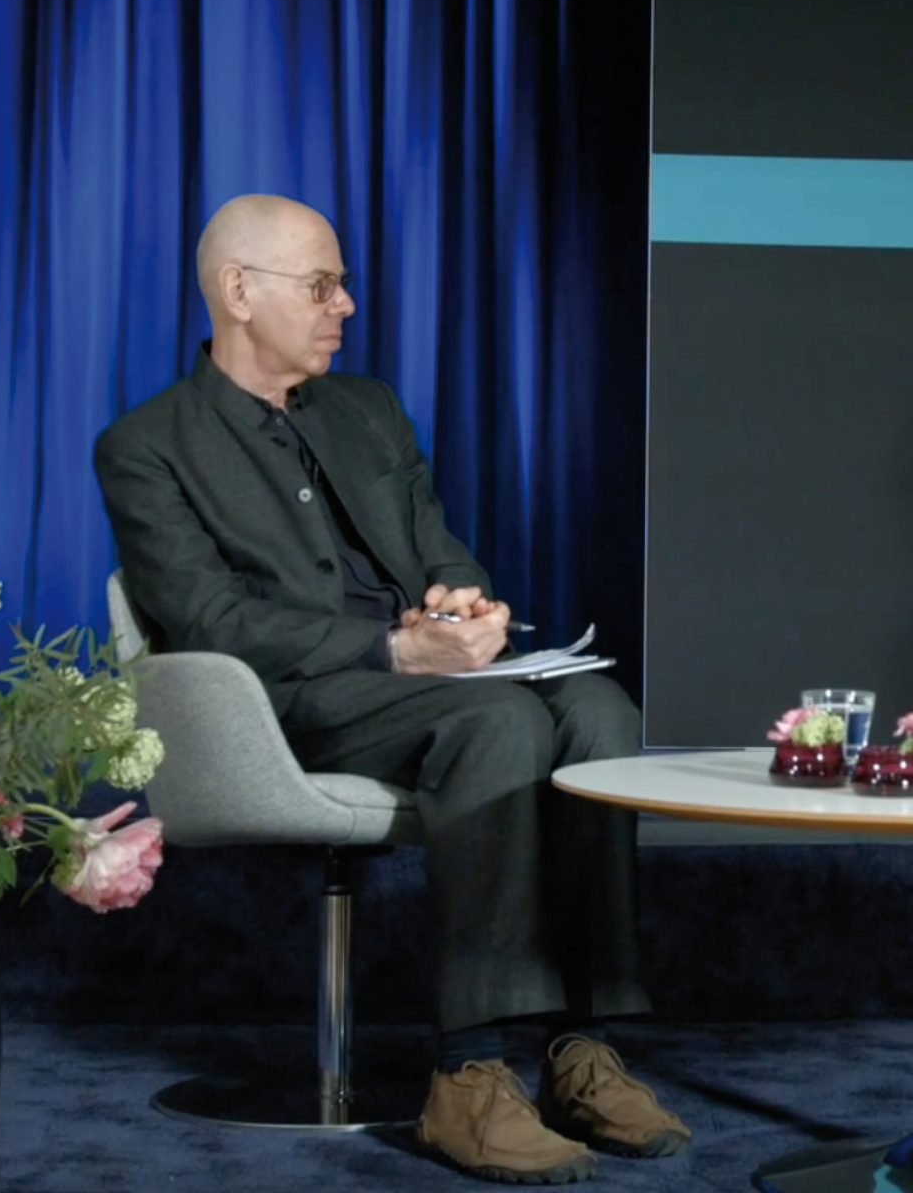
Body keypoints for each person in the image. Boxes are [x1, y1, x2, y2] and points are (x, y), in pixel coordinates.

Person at [95, 194, 687, 1184]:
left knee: (598, 711)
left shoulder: (367, 410)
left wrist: (466, 605)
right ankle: (469, 1073)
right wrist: (393, 650)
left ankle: (581, 1050)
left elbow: (436, 547)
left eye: (342, 284)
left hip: (426, 683)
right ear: (239, 292)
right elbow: (209, 621)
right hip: (283, 706)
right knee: (498, 720)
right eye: (322, 285)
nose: (347, 305)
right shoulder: (147, 444)